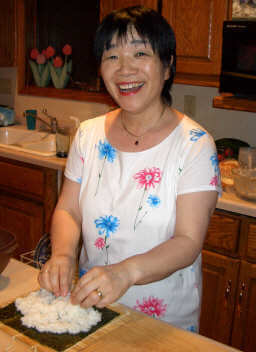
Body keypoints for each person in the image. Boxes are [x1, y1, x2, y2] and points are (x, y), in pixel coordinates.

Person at [38, 5, 221, 332]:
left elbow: (188, 241)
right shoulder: (88, 134)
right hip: (91, 307)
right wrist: (64, 255)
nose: (125, 69)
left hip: (162, 322)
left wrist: (125, 272)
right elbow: (68, 209)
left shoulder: (195, 145)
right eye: (112, 57)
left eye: (140, 53)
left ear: (167, 67)